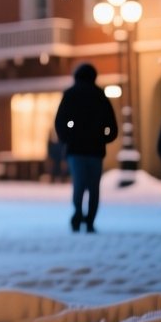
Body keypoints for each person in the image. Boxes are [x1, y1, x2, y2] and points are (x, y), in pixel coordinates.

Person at [54, 63, 117, 234]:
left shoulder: (70, 95)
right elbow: (111, 126)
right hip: (95, 150)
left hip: (75, 150)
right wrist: (103, 138)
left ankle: (77, 214)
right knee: (94, 188)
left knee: (79, 185)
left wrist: (67, 138)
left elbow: (60, 123)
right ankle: (90, 220)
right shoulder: (100, 95)